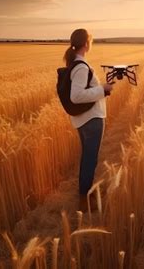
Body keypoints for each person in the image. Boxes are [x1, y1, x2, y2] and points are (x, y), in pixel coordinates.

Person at [62, 28, 114, 212]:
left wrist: (102, 88)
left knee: (87, 158)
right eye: (91, 41)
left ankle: (86, 192)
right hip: (91, 120)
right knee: (90, 159)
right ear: (86, 44)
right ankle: (84, 199)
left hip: (84, 119)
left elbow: (80, 92)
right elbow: (76, 96)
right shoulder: (82, 67)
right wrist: (102, 90)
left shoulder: (75, 64)